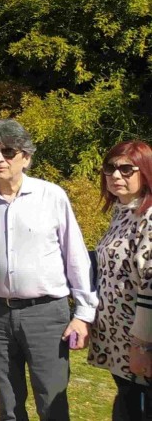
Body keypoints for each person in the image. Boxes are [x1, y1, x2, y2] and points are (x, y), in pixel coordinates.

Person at [0, 119, 97, 421]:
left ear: (26, 157)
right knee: (8, 402)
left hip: (46, 315)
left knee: (52, 400)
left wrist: (84, 314)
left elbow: (76, 257)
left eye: (8, 151)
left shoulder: (51, 196)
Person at [88, 140, 152, 420]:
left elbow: (149, 287)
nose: (116, 176)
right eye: (110, 168)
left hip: (140, 345)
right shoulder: (122, 213)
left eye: (127, 169)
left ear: (146, 172)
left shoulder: (148, 218)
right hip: (119, 343)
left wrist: (142, 347)